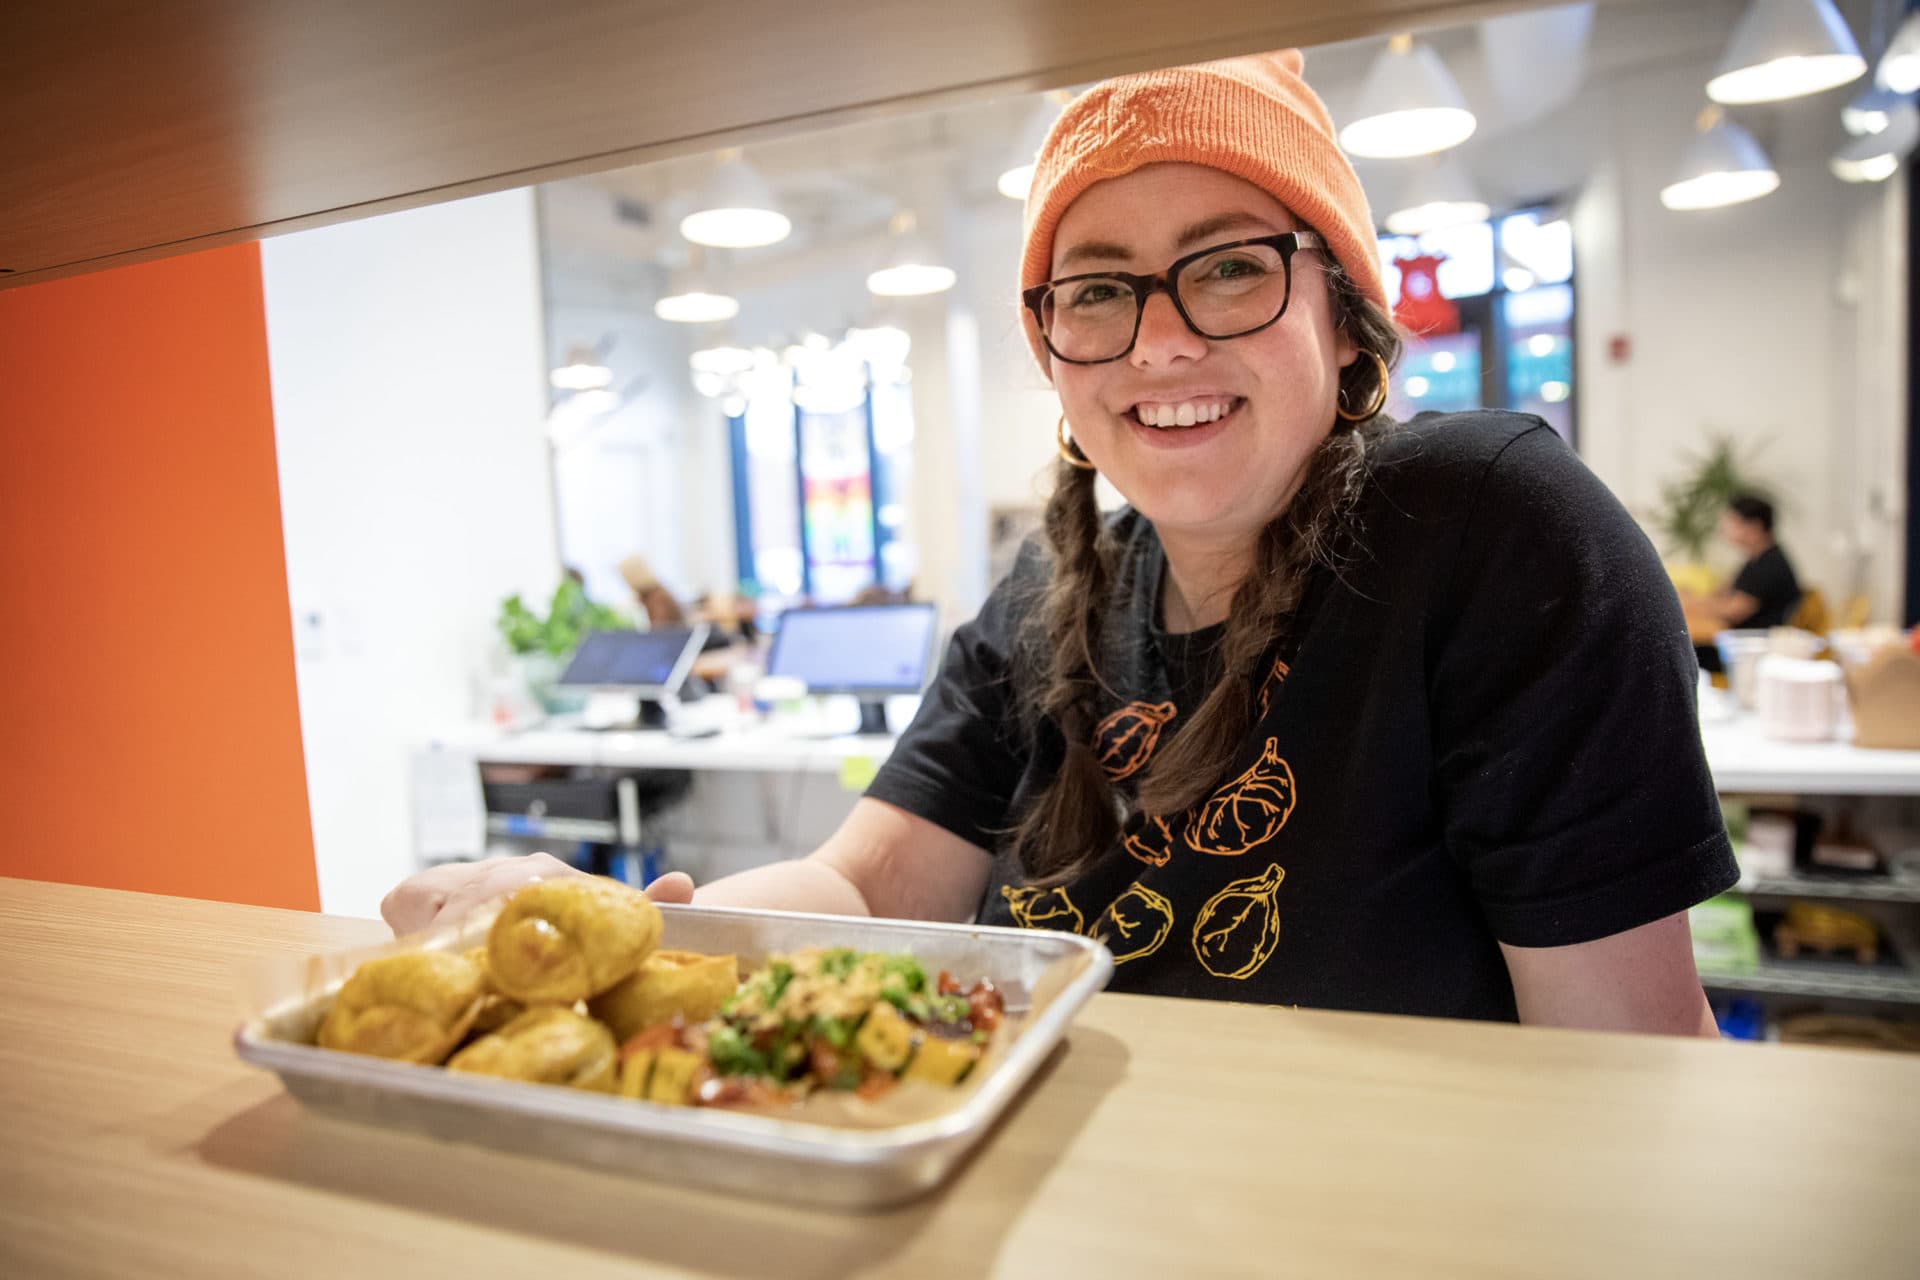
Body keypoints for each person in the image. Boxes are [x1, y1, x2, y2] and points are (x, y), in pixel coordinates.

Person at [388, 50, 1734, 1035]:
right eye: (1099, 290)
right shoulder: (1052, 591)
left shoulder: (1491, 530)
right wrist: (613, 923)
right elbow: (859, 890)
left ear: (1341, 311)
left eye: (1227, 265)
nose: (1159, 342)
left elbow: (1621, 1076)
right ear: (1055, 350)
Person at [1702, 494, 1802, 631]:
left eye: (1733, 522)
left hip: (1757, 644)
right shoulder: (1756, 559)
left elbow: (1734, 612)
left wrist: (1693, 605)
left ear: (1755, 526)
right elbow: (1725, 593)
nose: (1724, 529)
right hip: (1743, 639)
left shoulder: (1770, 565)